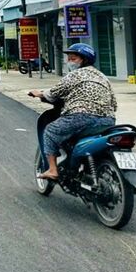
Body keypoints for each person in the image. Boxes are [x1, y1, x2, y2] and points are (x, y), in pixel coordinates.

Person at [29, 43, 116, 181]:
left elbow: (54, 93)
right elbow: (114, 103)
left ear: (84, 60)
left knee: (51, 131)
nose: (69, 61)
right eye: (69, 58)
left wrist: (39, 93)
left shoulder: (74, 75)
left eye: (73, 58)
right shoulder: (103, 77)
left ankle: (52, 170)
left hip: (80, 117)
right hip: (107, 120)